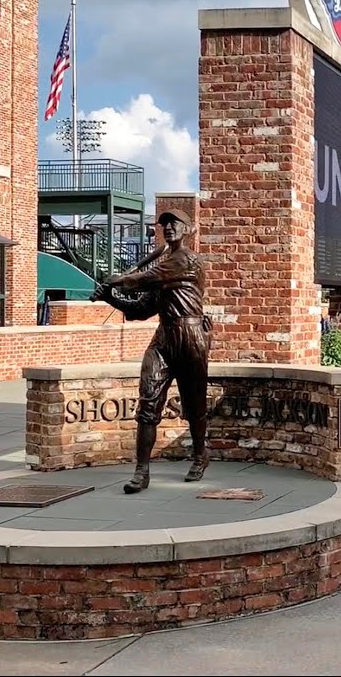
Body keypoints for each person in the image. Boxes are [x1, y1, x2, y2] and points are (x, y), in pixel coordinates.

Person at [92, 209, 211, 494]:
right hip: (164, 338)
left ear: (188, 229)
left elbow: (144, 278)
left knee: (194, 404)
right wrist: (111, 296)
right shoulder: (163, 269)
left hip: (191, 335)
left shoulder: (188, 261)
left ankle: (200, 454)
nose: (168, 227)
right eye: (164, 224)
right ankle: (141, 471)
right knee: (148, 403)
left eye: (175, 223)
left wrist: (119, 279)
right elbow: (140, 310)